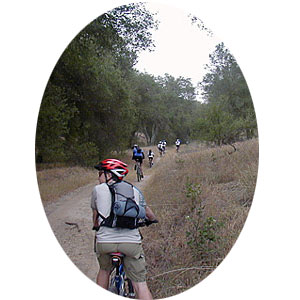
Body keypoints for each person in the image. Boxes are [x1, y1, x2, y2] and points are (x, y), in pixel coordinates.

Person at [91, 159, 157, 300]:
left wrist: (97, 226)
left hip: (105, 243)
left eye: (101, 173)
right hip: (131, 243)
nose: (99, 177)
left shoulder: (98, 190)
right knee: (140, 285)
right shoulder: (135, 191)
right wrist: (152, 220)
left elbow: (95, 217)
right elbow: (149, 214)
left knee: (104, 271)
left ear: (110, 174)